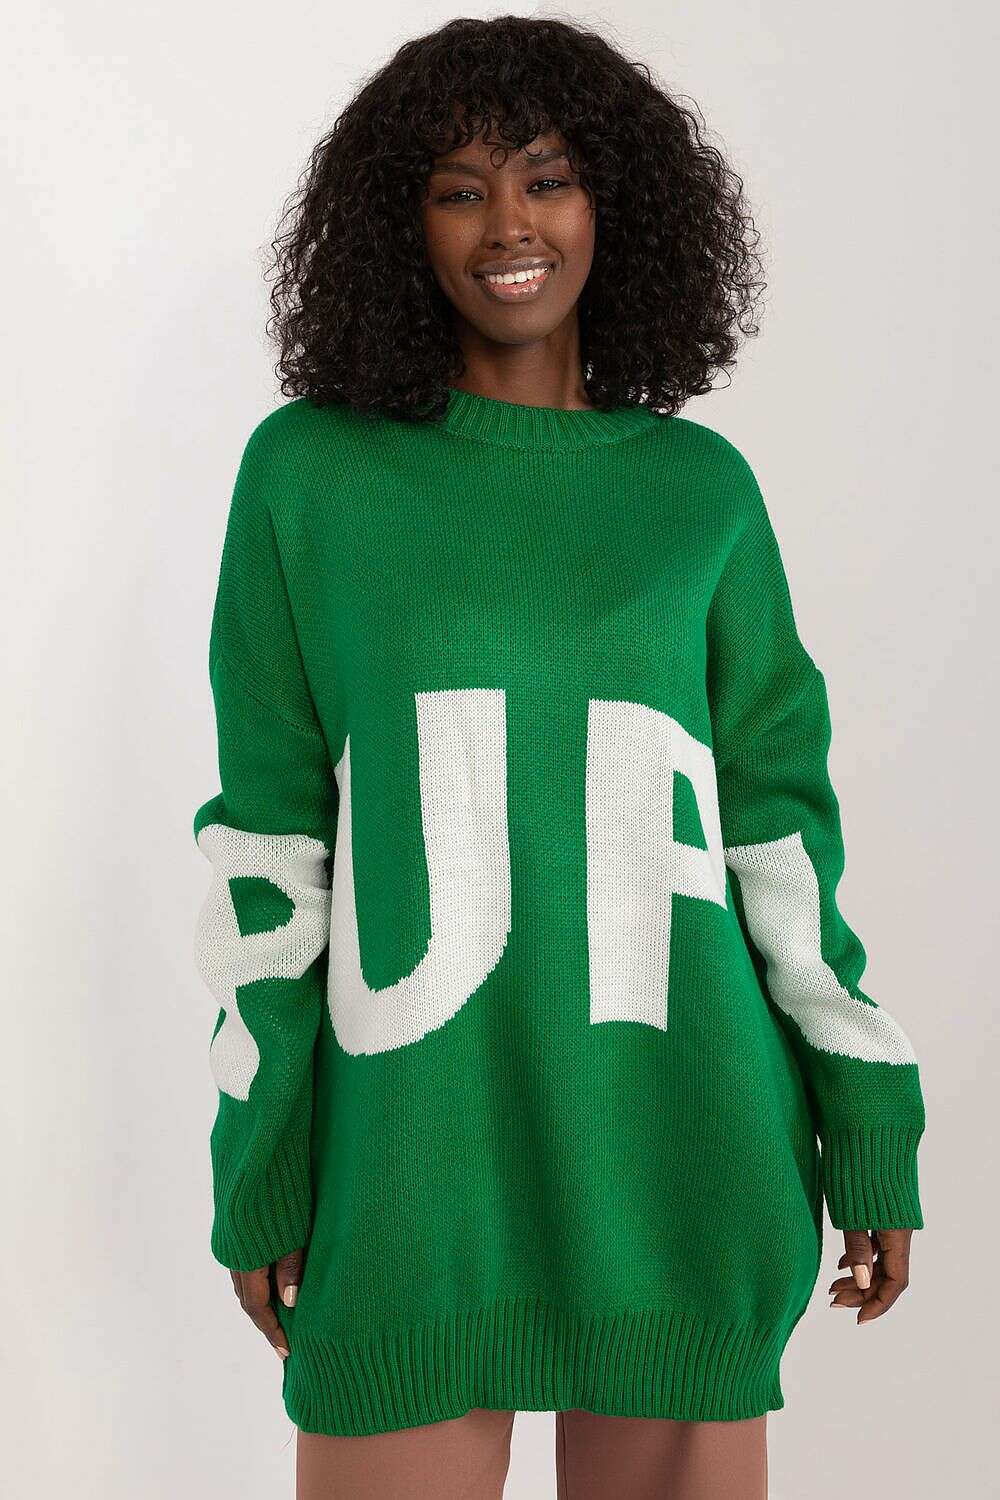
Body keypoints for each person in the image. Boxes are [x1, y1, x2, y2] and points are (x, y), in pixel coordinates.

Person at [191, 16, 926, 1499]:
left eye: (547, 178)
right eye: (459, 190)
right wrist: (261, 1159)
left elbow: (780, 833)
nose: (510, 227)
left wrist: (869, 1121)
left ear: (617, 203)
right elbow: (267, 843)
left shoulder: (699, 491)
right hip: (413, 1171)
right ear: (399, 224)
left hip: (680, 1148)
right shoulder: (307, 474)